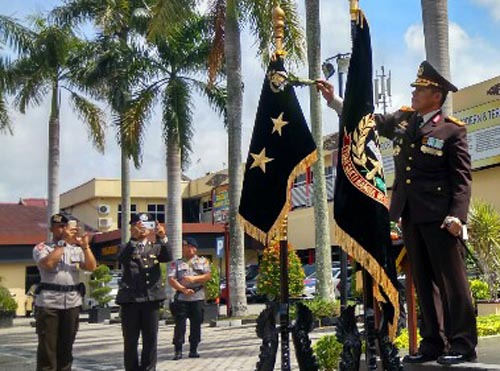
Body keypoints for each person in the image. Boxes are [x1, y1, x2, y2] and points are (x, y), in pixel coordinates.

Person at [317, 61, 477, 365]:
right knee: (423, 281)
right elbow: (369, 122)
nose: (414, 94)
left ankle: (463, 344)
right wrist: (335, 101)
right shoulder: (405, 119)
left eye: (420, 90)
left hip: (441, 217)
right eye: (414, 89)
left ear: (436, 94)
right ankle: (433, 343)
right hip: (410, 215)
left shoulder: (451, 130)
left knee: (452, 282)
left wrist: (458, 216)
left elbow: (462, 178)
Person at [33, 213, 97, 371]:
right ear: (52, 229)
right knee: (47, 350)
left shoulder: (75, 249)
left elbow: (91, 267)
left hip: (72, 303)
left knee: (66, 349)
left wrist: (85, 246)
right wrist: (62, 244)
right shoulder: (43, 247)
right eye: (60, 226)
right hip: (49, 304)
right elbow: (47, 264)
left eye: (66, 226)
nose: (64, 230)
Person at [116, 213, 172, 371]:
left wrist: (163, 237)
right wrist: (133, 239)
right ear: (132, 227)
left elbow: (168, 256)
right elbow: (122, 259)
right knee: (130, 340)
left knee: (150, 339)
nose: (143, 229)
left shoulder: (156, 246)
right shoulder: (126, 246)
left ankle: (149, 368)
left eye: (147, 226)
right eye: (139, 226)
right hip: (131, 300)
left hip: (151, 299)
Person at [168, 237, 211, 360]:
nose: (187, 249)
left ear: (194, 248)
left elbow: (208, 276)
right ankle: (178, 350)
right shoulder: (176, 263)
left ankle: (193, 349)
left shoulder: (203, 261)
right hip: (182, 297)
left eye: (189, 246)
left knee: (196, 324)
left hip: (197, 297)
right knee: (180, 325)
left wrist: (194, 279)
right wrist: (183, 289)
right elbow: (171, 279)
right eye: (185, 247)